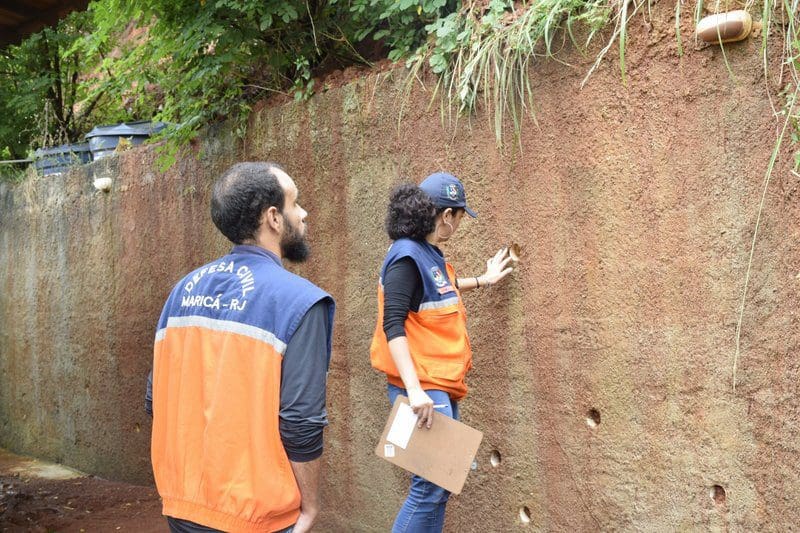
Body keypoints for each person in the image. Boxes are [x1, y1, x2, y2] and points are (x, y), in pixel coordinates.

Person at [146, 162, 335, 533]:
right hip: (255, 517)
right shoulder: (300, 302)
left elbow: (156, 398)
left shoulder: (181, 291)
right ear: (273, 218)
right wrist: (310, 506)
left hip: (183, 506)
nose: (303, 213)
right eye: (295, 203)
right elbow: (301, 421)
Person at [370, 172, 514, 532]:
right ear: (447, 216)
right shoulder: (406, 256)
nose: (460, 225)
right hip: (420, 389)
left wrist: (483, 280)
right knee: (428, 487)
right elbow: (392, 325)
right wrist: (415, 391)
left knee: (440, 484)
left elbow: (439, 288)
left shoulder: (425, 253)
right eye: (460, 217)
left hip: (436, 385)